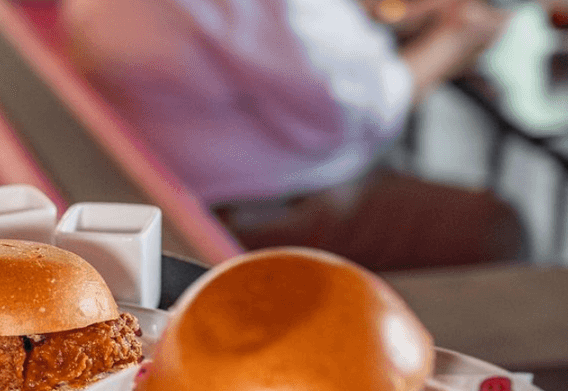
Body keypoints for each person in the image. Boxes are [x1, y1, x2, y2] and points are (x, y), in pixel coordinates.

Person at [61, 0, 524, 272]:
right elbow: (366, 111)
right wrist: (457, 36)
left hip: (153, 172)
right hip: (244, 218)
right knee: (493, 224)